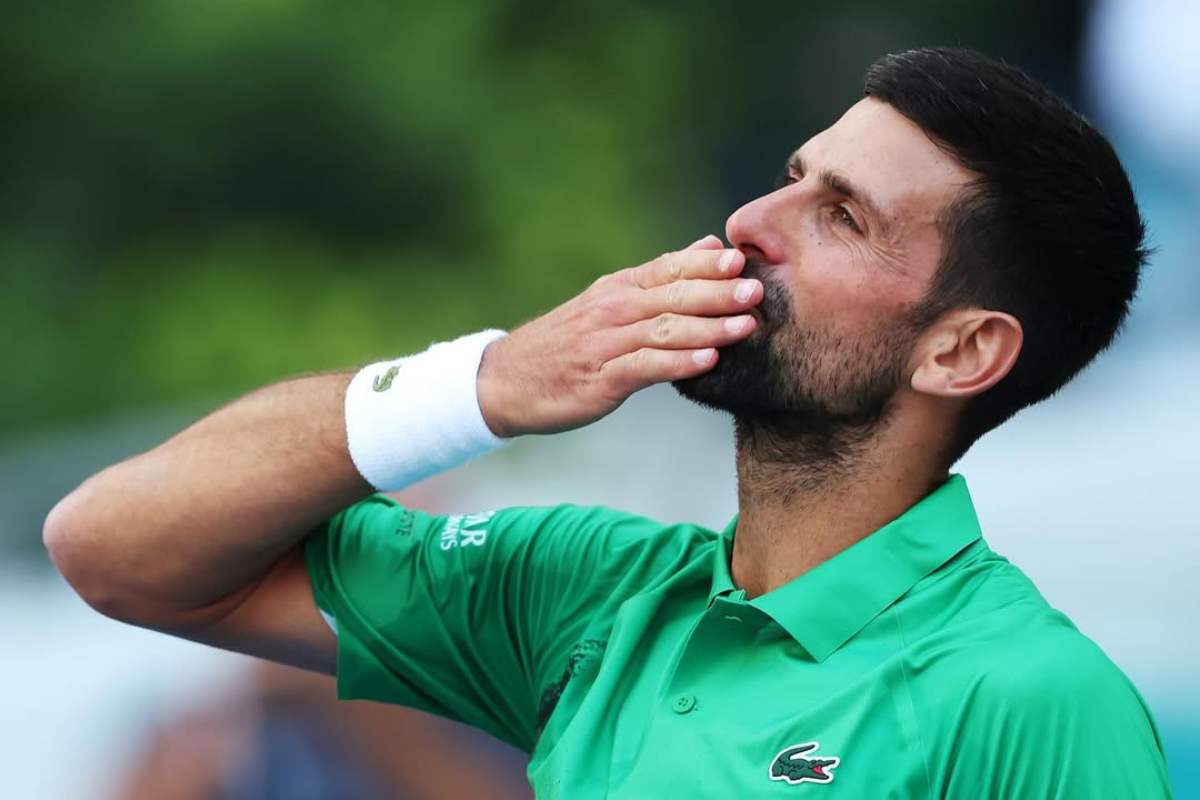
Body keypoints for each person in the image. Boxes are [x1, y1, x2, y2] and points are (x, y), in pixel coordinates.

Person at [45, 47, 1173, 798]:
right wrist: (483, 384)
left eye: (841, 216)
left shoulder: (1034, 699)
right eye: (792, 175)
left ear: (962, 351)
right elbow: (114, 547)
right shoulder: (589, 588)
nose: (751, 220)